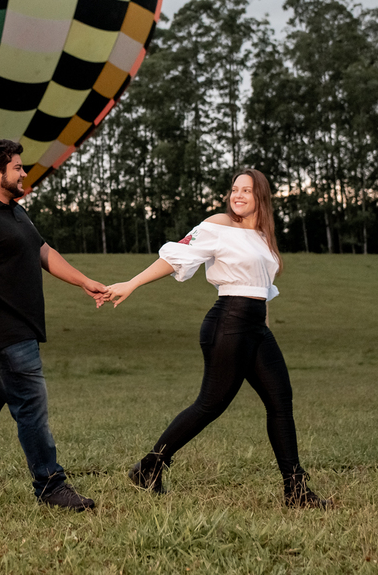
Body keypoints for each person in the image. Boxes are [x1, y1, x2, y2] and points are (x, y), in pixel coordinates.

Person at [105, 169, 331, 508]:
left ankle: (295, 490)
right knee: (210, 404)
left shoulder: (261, 234)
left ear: (261, 198)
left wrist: (264, 328)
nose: (237, 195)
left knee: (281, 401)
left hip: (256, 327)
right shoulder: (218, 224)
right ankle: (149, 465)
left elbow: (260, 289)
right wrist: (131, 283)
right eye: (234, 189)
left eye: (247, 190)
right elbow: (175, 256)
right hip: (227, 323)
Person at [0, 139, 107, 511]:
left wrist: (84, 281)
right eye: (18, 167)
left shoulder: (14, 211)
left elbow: (43, 252)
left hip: (18, 329)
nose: (24, 173)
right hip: (0, 331)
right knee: (31, 406)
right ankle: (50, 485)